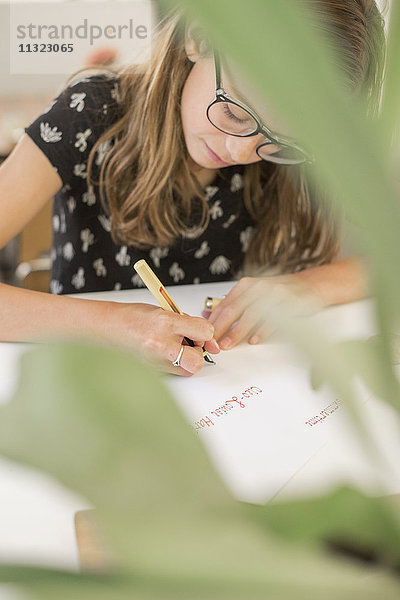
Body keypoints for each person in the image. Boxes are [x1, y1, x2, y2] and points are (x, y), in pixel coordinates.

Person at [0, 1, 386, 376]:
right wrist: (119, 326)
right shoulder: (87, 115)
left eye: (283, 140)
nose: (241, 150)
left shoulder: (281, 158)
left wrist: (306, 287)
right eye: (234, 112)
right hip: (91, 381)